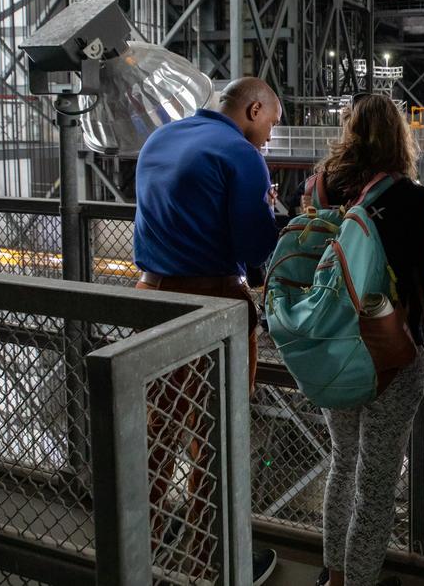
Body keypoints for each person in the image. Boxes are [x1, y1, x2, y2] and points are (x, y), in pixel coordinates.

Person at [133, 76, 282, 584]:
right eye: (270, 126)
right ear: (254, 109)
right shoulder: (240, 154)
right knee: (216, 436)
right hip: (211, 302)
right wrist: (269, 207)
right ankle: (210, 562)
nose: (268, 139)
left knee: (155, 433)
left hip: (150, 297)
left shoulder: (161, 137)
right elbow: (259, 244)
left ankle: (138, 551)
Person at [310, 94, 424, 586]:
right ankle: (361, 580)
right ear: (398, 136)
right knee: (377, 479)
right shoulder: (413, 200)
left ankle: (335, 575)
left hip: (332, 346)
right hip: (391, 353)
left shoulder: (320, 186)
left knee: (342, 464)